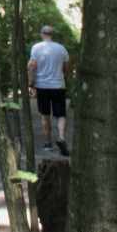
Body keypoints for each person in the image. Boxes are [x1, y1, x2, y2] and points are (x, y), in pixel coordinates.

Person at [28, 24, 70, 156]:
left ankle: (48, 143)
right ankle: (61, 137)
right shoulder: (61, 49)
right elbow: (66, 67)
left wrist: (31, 83)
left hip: (42, 86)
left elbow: (31, 66)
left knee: (45, 115)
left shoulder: (36, 48)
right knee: (61, 114)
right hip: (58, 85)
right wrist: (63, 77)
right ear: (52, 34)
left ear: (42, 34)